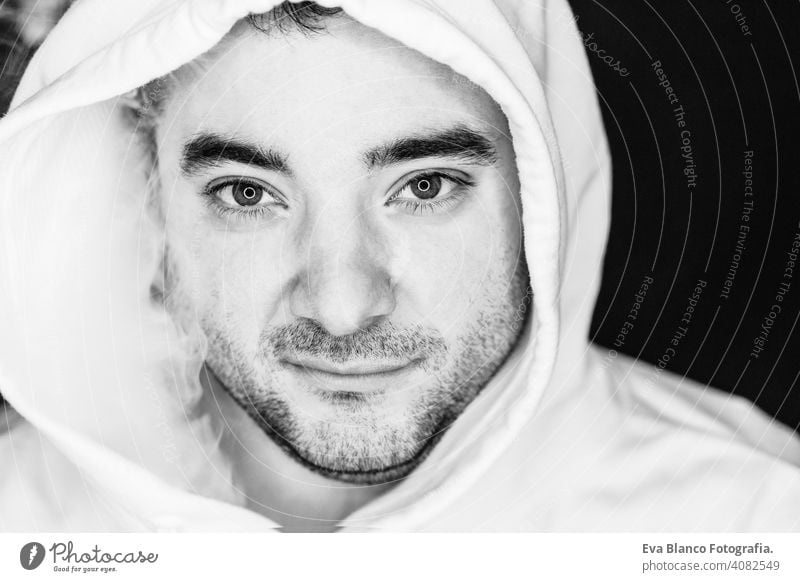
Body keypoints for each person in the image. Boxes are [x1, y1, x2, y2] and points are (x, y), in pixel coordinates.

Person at [1, 0, 799, 532]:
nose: (343, 306)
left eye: (424, 186)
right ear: (145, 197)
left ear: (540, 191)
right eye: (246, 193)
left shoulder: (751, 522)